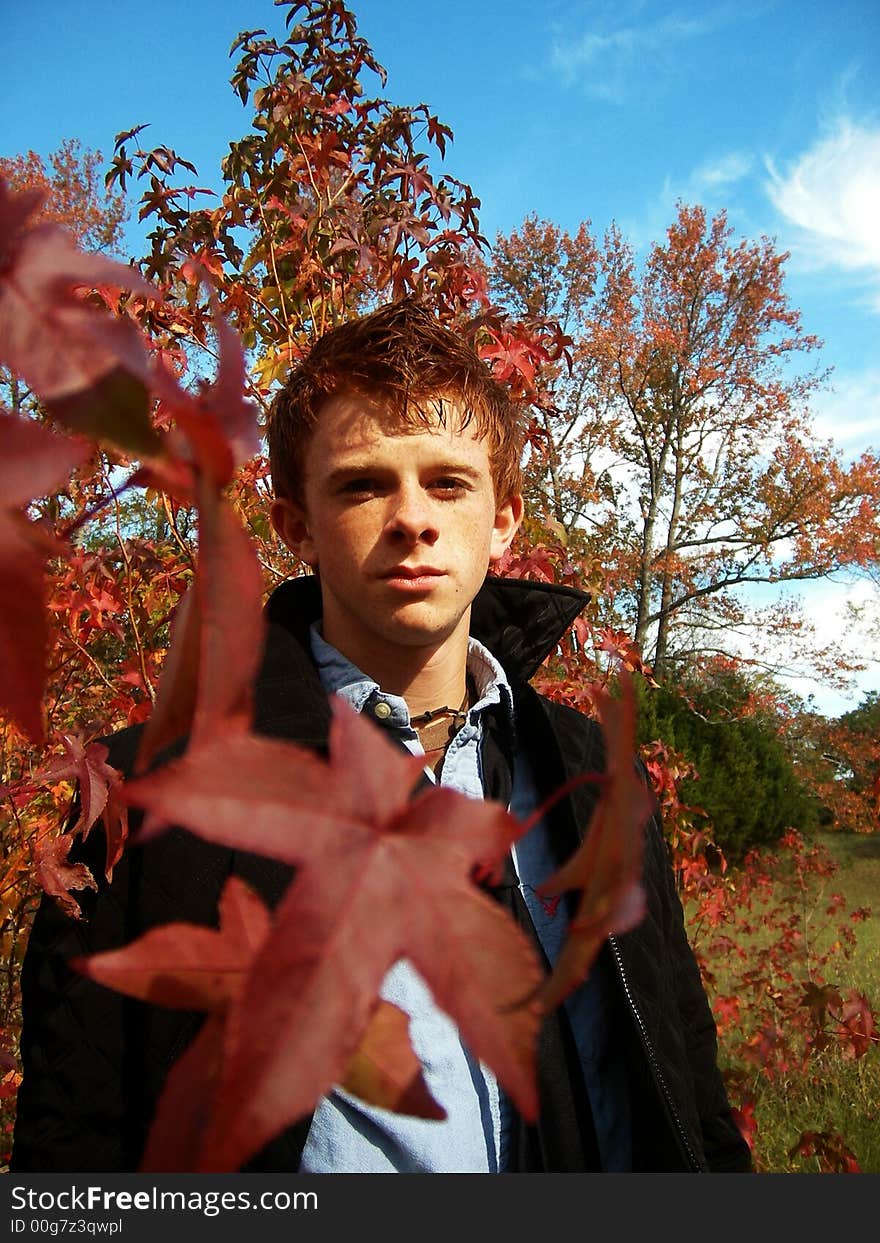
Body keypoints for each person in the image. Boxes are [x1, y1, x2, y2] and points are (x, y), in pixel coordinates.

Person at [11, 299, 751, 1173]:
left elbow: (687, 1084)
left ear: (504, 517)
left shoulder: (597, 777)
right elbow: (73, 1150)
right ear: (297, 526)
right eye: (363, 483)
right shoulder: (149, 794)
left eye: (448, 481)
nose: (412, 517)